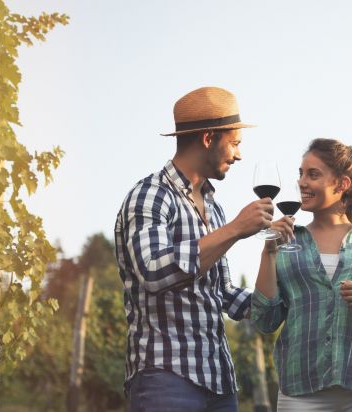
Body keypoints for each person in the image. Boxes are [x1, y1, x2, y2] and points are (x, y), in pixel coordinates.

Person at [114, 86, 274, 411]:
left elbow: (222, 292)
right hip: (165, 378)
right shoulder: (150, 196)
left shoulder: (214, 208)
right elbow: (153, 271)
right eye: (234, 143)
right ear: (208, 138)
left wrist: (284, 298)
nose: (239, 155)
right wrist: (236, 229)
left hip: (219, 382)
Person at [250, 138, 352, 412]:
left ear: (342, 184)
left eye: (313, 174)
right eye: (300, 174)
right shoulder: (287, 243)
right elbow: (265, 320)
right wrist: (268, 252)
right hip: (301, 393)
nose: (302, 182)